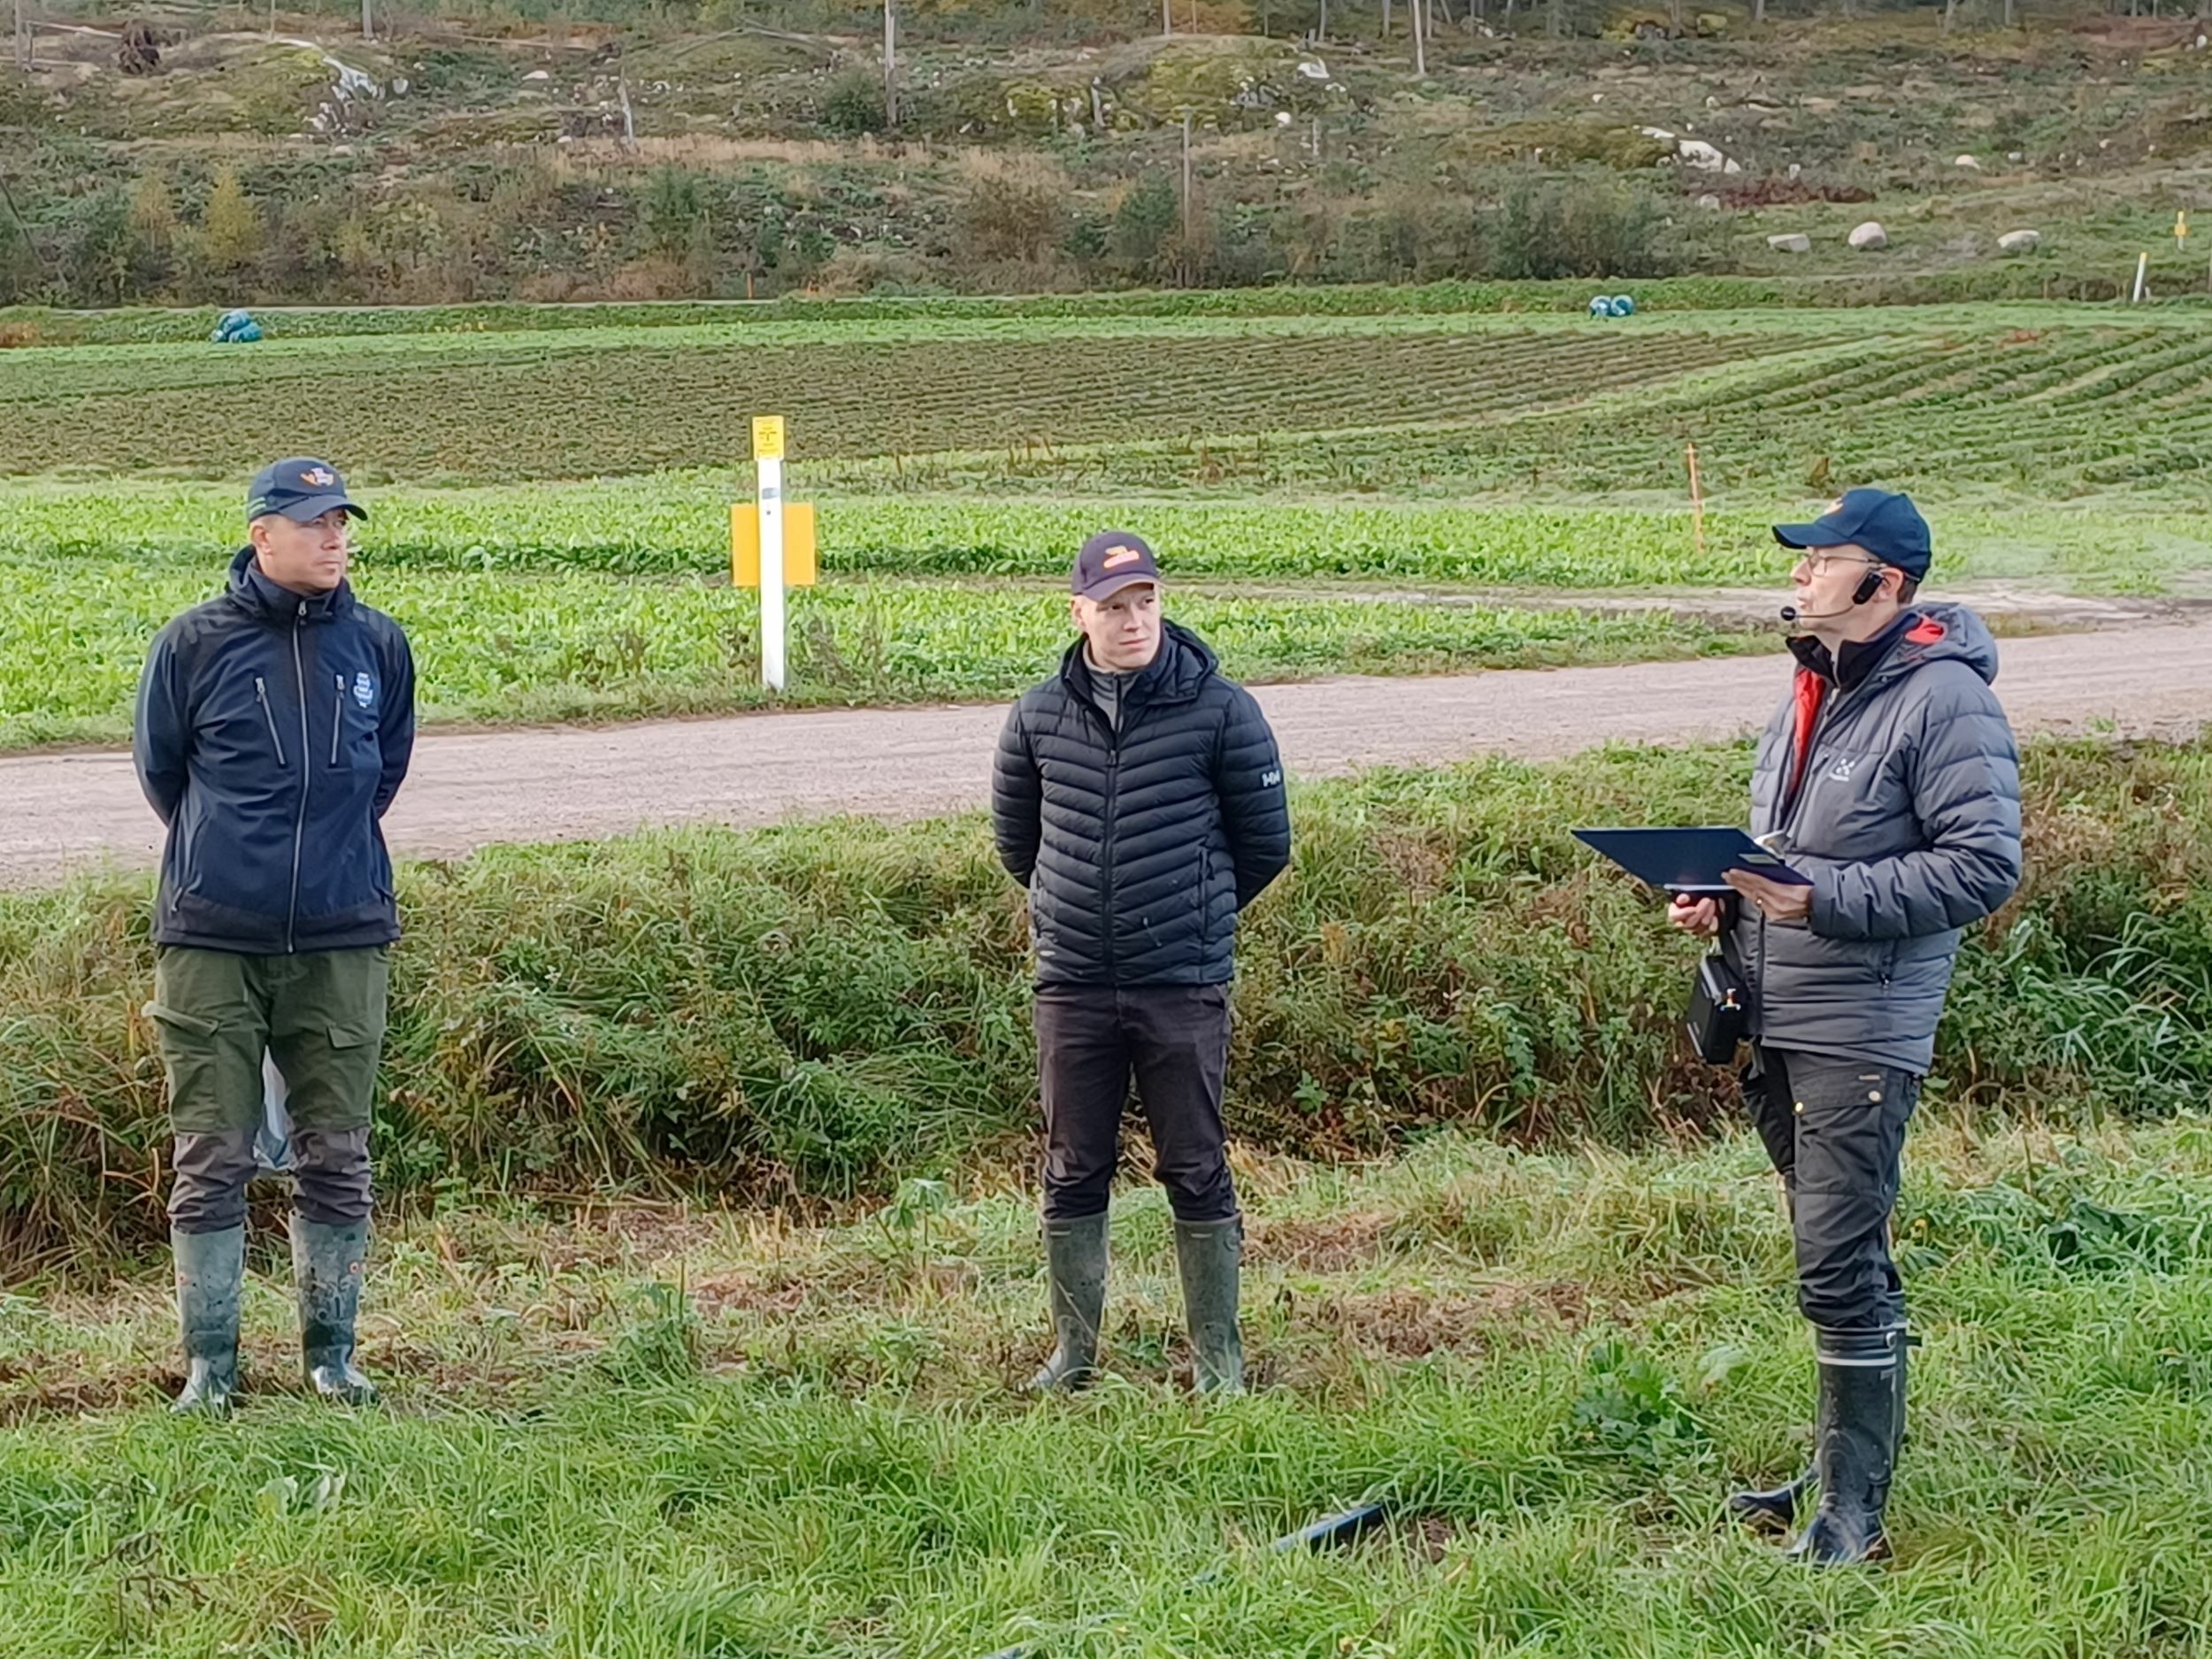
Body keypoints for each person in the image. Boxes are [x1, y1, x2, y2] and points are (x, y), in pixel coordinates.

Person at [1671, 488, 2022, 1563]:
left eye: (1822, 557)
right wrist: (1723, 895)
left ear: (1886, 583)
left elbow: (1982, 866)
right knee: (1843, 1249)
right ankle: (1838, 1468)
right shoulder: (1809, 685)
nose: (1800, 571)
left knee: (1833, 1263)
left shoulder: (1945, 702)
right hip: (1775, 1005)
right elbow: (1789, 846)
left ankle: (1853, 1517)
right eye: (1801, 556)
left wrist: (1816, 899)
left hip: (1858, 1025)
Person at [134, 458, 417, 1415]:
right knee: (212, 1152)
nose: (335, 537)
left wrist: (326, 865)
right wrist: (238, 861)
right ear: (263, 536)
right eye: (313, 523)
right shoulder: (194, 645)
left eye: (342, 521)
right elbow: (164, 775)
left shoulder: (378, 646)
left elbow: (384, 777)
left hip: (343, 935)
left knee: (336, 1150)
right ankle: (212, 1366)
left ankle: (330, 1356)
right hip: (213, 934)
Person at [991, 531, 1291, 1394]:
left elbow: (1264, 846)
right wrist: (1073, 912)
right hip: (1074, 983)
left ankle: (1218, 1362)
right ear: (1079, 612)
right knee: (1071, 1164)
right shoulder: (1039, 715)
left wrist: (1187, 915)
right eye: (1114, 607)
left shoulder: (1221, 710)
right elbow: (1020, 843)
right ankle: (1073, 1355)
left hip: (1181, 983)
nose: (1134, 622)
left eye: (1146, 602)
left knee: (1194, 1165)